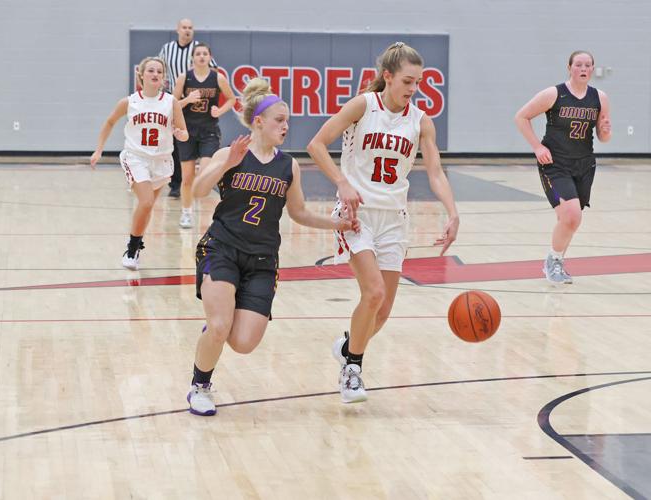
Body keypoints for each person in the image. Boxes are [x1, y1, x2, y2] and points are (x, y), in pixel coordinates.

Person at [186, 78, 359, 416]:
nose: (285, 126)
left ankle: (215, 329)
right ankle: (200, 385)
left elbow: (298, 212)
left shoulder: (288, 166)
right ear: (259, 122)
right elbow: (196, 192)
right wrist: (226, 164)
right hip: (221, 248)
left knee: (243, 342)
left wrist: (337, 224)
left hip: (263, 259)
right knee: (221, 326)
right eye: (280, 120)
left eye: (288, 120)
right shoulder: (230, 153)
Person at [307, 42, 459, 404]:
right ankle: (352, 369)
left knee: (384, 308)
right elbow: (316, 144)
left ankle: (347, 347)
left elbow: (435, 172)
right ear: (388, 77)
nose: (413, 88)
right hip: (356, 216)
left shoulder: (421, 121)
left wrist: (452, 212)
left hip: (395, 217)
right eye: (407, 80)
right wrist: (342, 183)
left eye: (418, 82)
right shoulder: (363, 105)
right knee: (373, 293)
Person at [513, 50, 611, 284]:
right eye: (578, 64)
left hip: (585, 164)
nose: (583, 68)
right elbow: (521, 117)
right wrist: (537, 147)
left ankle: (555, 261)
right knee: (571, 215)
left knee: (570, 219)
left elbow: (603, 137)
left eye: (588, 65)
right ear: (569, 68)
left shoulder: (600, 98)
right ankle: (554, 262)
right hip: (554, 165)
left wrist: (605, 131)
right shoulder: (554, 94)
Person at [90, 57, 189, 270]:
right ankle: (132, 248)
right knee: (145, 202)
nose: (155, 74)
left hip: (161, 160)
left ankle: (136, 243)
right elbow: (109, 122)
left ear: (163, 78)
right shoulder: (129, 102)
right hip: (136, 157)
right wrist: (99, 149)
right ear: (141, 75)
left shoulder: (170, 102)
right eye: (151, 70)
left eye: (159, 72)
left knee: (148, 207)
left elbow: (184, 133)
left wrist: (181, 134)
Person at [173, 43, 236, 229]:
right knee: (186, 178)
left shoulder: (218, 77)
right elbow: (173, 103)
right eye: (198, 54)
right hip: (187, 131)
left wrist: (220, 110)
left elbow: (232, 99)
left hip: (209, 130)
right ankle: (186, 213)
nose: (201, 56)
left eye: (205, 54)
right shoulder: (185, 77)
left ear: (210, 57)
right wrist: (188, 99)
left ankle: (208, 209)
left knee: (205, 172)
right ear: (193, 57)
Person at [158, 18, 217, 199]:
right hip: (178, 100)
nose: (187, 31)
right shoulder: (167, 49)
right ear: (178, 30)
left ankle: (197, 182)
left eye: (190, 28)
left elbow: (214, 71)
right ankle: (176, 184)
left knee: (198, 141)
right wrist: (166, 96)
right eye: (184, 28)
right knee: (176, 143)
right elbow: (161, 70)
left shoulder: (199, 48)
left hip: (199, 102)